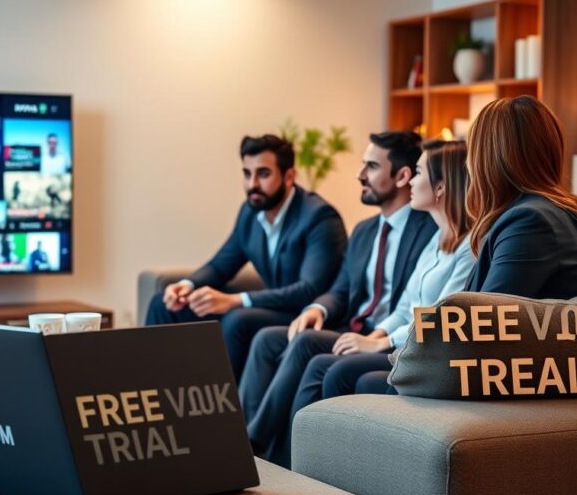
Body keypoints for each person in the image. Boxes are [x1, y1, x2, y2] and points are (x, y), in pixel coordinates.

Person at [239, 131, 437, 467]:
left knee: (305, 345)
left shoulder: (428, 229)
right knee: (268, 339)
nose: (360, 174)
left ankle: (255, 446)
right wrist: (318, 307)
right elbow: (342, 290)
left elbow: (414, 305)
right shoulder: (364, 230)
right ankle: (248, 437)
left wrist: (376, 337)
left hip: (385, 336)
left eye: (371, 166)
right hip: (352, 326)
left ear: (402, 176)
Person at [145, 134, 348, 380]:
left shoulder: (319, 218)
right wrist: (187, 286)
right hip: (268, 308)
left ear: (289, 176)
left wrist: (236, 300)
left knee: (238, 319)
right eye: (247, 173)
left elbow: (309, 289)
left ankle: (222, 411)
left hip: (305, 314)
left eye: (263, 174)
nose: (252, 184)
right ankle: (155, 395)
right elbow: (222, 264)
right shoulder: (251, 211)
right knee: (163, 304)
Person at [293, 140, 475, 412]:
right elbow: (405, 307)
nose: (411, 181)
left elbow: (439, 318)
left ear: (441, 187)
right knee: (321, 359)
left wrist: (381, 342)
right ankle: (289, 450)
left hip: (424, 353)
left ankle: (310, 452)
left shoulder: (469, 247)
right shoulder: (437, 238)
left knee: (332, 370)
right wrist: (375, 337)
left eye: (419, 173)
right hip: (402, 342)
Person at [462, 96, 577, 298]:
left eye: (471, 150)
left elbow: (485, 321)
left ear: (485, 158)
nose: (467, 162)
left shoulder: (531, 222)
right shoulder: (540, 214)